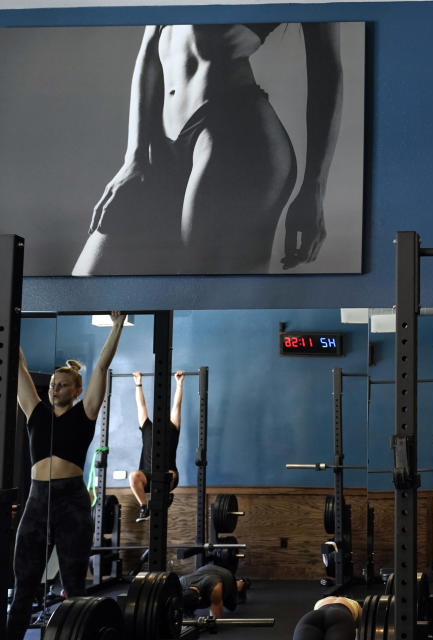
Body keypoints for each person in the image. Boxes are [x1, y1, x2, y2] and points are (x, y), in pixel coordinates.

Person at [74, 22, 343, 275]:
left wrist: (314, 188)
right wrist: (134, 157)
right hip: (160, 146)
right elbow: (149, 49)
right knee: (88, 281)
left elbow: (326, 67)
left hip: (234, 135)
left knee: (205, 293)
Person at [9, 311, 126, 640]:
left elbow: (101, 367)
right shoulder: (35, 412)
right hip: (36, 500)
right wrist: (9, 316)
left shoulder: (85, 413)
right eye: (52, 385)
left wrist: (116, 327)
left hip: (71, 501)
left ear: (76, 390)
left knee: (74, 587)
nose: (53, 389)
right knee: (23, 588)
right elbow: (17, 364)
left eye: (61, 386)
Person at [129, 369, 184, 522]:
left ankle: (165, 497)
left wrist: (179, 385)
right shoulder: (147, 427)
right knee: (133, 476)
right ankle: (144, 507)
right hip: (148, 475)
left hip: (168, 474)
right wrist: (138, 384)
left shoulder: (172, 427)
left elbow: (176, 406)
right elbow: (141, 406)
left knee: (170, 474)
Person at [180, 562, 250, 619]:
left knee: (231, 605)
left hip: (224, 575)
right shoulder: (181, 582)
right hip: (205, 571)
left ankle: (243, 582)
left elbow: (216, 619)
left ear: (199, 596)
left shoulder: (215, 588)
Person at [292, 597, 361, 640]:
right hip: (340, 616)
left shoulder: (321, 601)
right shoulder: (355, 604)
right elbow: (363, 628)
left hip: (311, 617)